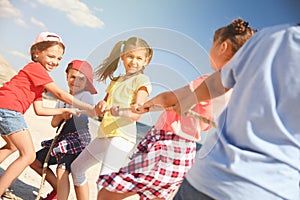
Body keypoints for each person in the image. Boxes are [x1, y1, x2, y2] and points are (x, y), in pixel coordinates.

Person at [96, 18, 256, 200]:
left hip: (167, 144)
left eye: (213, 43)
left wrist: (145, 106)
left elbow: (168, 98)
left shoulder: (208, 82)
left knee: (107, 194)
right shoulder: (236, 93)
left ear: (223, 47)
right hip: (185, 154)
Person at [171, 23, 300, 200]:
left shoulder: (271, 37)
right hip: (276, 190)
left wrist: (190, 100)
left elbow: (219, 82)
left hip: (211, 177)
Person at [0, 32, 95, 198]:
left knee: (12, 146)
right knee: (28, 155)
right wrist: (89, 108)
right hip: (8, 109)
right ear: (36, 52)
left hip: (4, 107)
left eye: (59, 59)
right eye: (51, 56)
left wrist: (64, 111)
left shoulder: (38, 79)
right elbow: (59, 93)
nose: (55, 62)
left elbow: (40, 109)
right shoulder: (36, 68)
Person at [71, 37, 153, 200]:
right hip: (105, 133)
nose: (134, 61)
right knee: (77, 168)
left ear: (146, 60)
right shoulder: (116, 81)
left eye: (139, 58)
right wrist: (100, 105)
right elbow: (103, 106)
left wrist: (120, 112)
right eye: (130, 56)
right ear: (122, 56)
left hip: (122, 137)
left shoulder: (142, 81)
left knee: (104, 183)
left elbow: (137, 113)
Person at [30, 60, 97, 200]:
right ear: (66, 76)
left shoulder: (85, 96)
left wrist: (73, 110)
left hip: (77, 140)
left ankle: (61, 195)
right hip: (62, 140)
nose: (75, 81)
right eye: (72, 77)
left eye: (81, 79)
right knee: (35, 161)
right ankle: (58, 189)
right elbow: (54, 123)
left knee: (62, 170)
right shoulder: (62, 99)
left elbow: (86, 109)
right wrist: (62, 113)